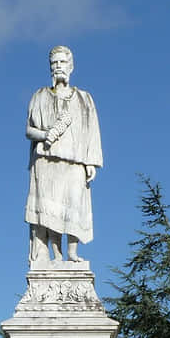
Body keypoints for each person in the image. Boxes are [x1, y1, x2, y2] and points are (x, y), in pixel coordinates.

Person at [25, 45, 102, 264]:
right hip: (46, 161)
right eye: (54, 63)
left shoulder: (84, 99)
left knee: (74, 205)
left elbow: (92, 132)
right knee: (51, 207)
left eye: (62, 62)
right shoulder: (39, 96)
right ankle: (56, 255)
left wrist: (91, 163)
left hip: (75, 161)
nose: (58, 67)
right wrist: (46, 134)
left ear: (71, 66)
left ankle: (72, 253)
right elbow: (28, 130)